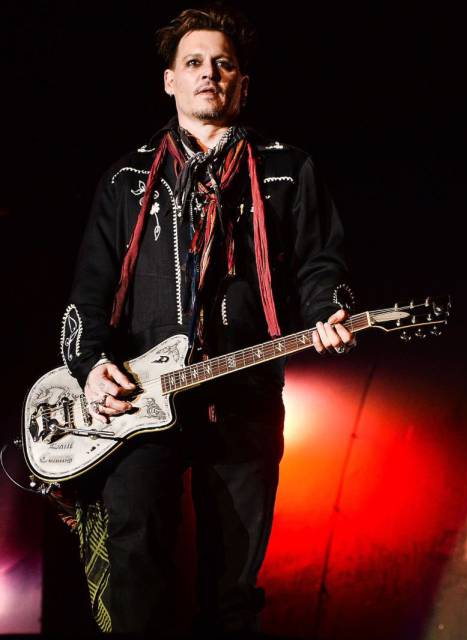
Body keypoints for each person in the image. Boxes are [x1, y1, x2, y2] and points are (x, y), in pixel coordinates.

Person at [58, 6, 355, 633]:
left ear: (243, 82)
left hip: (246, 391)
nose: (209, 74)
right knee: (136, 567)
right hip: (141, 398)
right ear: (170, 80)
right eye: (194, 62)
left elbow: (318, 263)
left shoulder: (287, 168)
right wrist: (91, 367)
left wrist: (328, 310)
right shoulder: (126, 179)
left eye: (224, 64)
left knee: (233, 590)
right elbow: (90, 291)